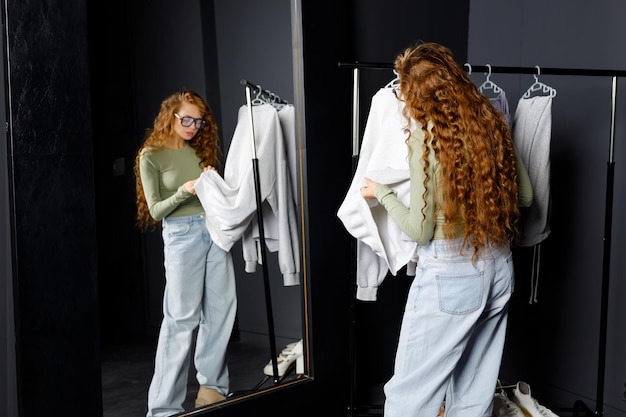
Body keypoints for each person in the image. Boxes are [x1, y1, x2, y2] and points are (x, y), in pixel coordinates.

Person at [360, 42, 533, 417]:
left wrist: (383, 193)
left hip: (450, 273)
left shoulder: (427, 136)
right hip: (499, 265)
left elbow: (420, 231)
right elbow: (527, 197)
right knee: (473, 396)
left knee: (409, 397)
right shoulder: (491, 121)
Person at [134, 90, 237, 417]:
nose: (193, 126)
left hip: (214, 228)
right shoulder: (150, 156)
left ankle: (213, 390)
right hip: (181, 236)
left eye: (199, 121)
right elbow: (155, 211)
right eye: (187, 119)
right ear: (171, 116)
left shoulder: (197, 150)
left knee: (220, 311)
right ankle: (162, 407)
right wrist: (184, 190)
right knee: (181, 320)